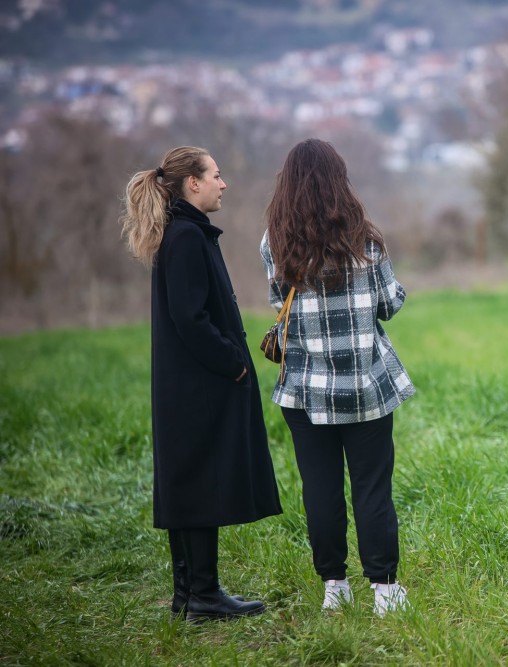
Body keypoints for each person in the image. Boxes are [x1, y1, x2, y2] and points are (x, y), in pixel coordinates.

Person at [121, 146, 282, 622]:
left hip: (186, 386)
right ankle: (204, 597)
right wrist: (234, 362)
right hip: (201, 385)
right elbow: (190, 319)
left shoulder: (181, 233)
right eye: (216, 175)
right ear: (192, 183)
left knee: (187, 483)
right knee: (198, 484)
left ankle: (189, 595)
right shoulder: (187, 238)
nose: (223, 183)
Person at [261, 138, 415, 616]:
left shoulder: (275, 241)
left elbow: (277, 305)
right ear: (339, 181)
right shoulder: (366, 239)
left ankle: (334, 587)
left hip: (305, 393)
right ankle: (385, 592)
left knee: (320, 490)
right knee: (372, 487)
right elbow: (389, 304)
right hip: (366, 389)